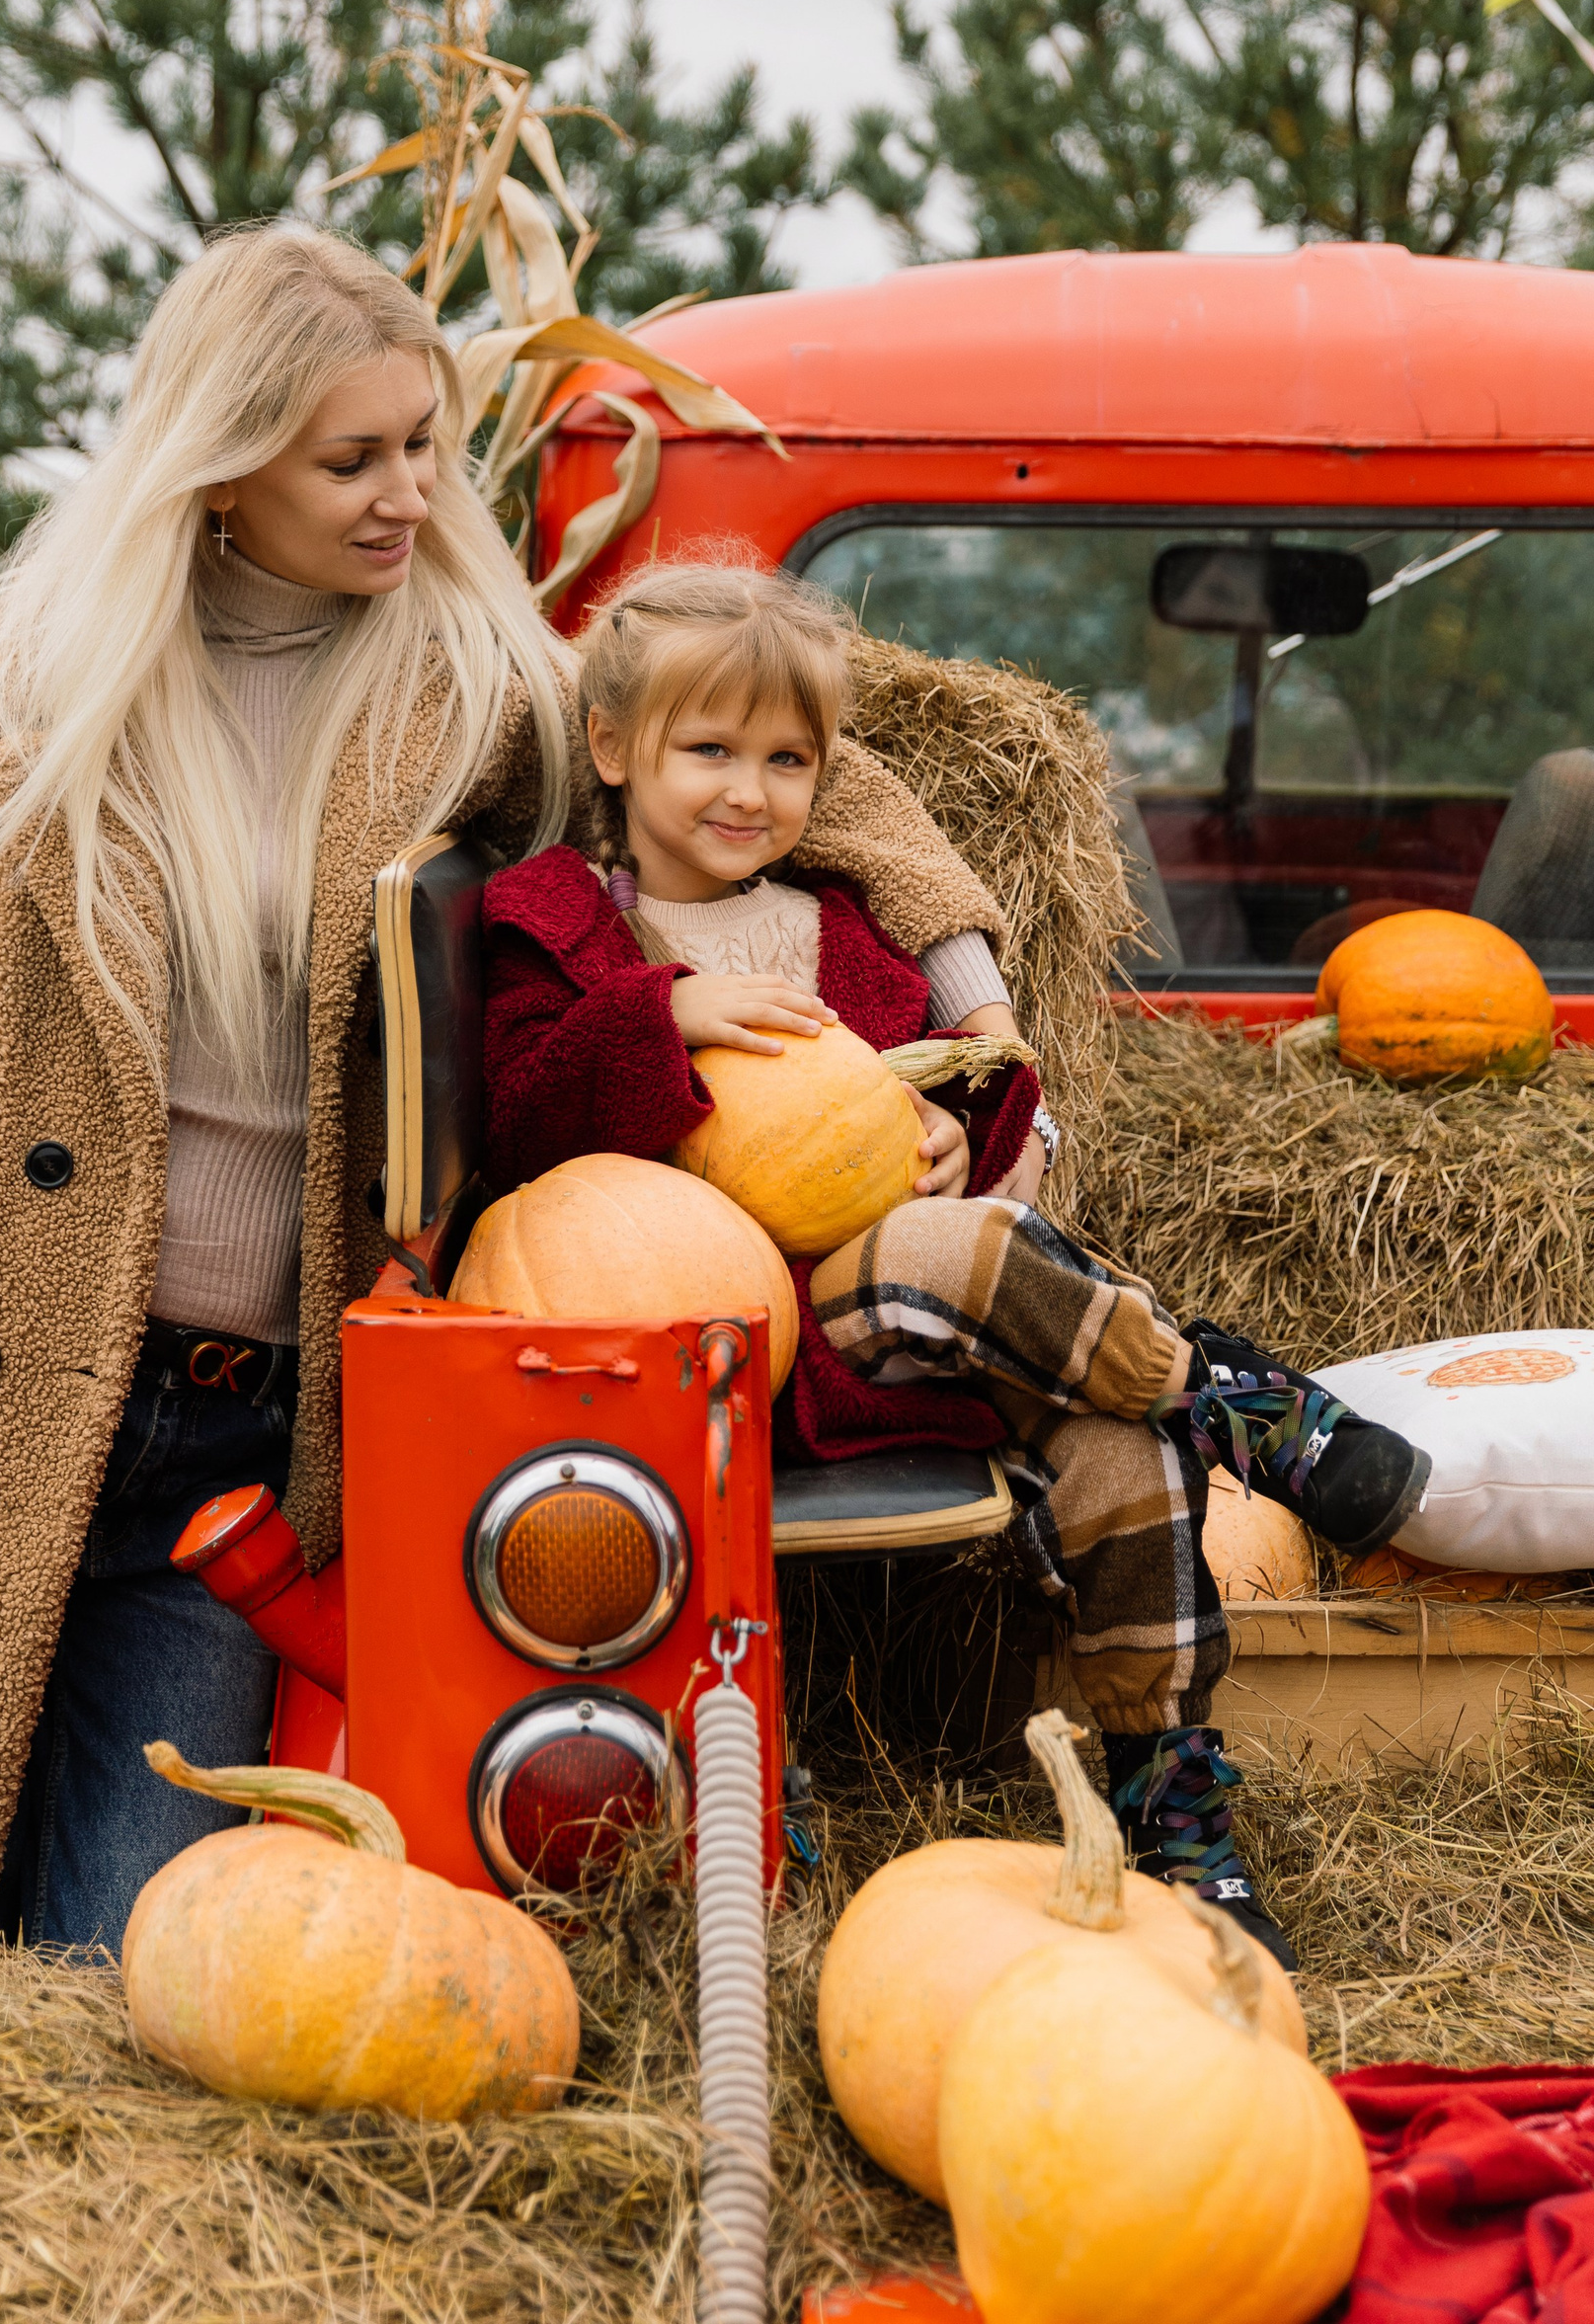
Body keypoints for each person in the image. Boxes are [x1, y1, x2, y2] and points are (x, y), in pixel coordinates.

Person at [0, 231, 994, 1959]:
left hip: (241, 1455)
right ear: (223, 464)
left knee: (140, 1976)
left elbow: (783, 759)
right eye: (352, 458)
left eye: (425, 445)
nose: (409, 494)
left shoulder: (473, 695)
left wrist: (967, 1000)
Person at [479, 560, 1434, 1966]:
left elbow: (965, 1091)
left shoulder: (837, 926)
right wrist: (659, 1014)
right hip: (733, 1331)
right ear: (613, 750)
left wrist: (944, 1129)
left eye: (788, 760)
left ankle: (1174, 1812)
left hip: (912, 1315)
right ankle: (1224, 1394)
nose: (750, 790)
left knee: (1113, 1445)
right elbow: (518, 1109)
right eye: (710, 751)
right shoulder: (558, 922)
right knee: (973, 1265)